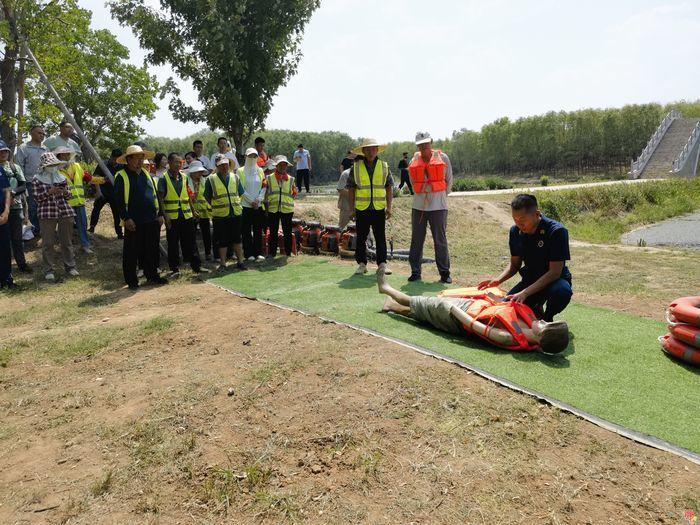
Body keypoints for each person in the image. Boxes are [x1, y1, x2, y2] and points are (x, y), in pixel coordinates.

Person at [376, 270, 569, 354]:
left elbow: (475, 327)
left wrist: (452, 309)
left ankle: (385, 288)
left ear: (541, 336)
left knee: (419, 303)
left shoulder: (509, 338)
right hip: (471, 307)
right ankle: (391, 306)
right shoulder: (529, 323)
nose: (543, 321)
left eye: (545, 325)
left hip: (459, 317)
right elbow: (505, 310)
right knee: (426, 316)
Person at [478, 194, 573, 322]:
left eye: (522, 219)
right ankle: (536, 308)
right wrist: (497, 280)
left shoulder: (556, 231)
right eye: (515, 219)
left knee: (561, 292)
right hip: (530, 280)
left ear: (536, 214)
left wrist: (525, 293)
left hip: (554, 281)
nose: (519, 224)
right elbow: (514, 265)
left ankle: (548, 318)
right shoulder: (515, 232)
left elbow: (554, 273)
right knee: (508, 307)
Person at [113, 145, 167, 289]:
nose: (140, 161)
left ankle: (153, 276)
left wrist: (160, 214)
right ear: (128, 159)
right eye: (137, 158)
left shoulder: (146, 173)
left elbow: (155, 195)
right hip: (133, 221)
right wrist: (126, 218)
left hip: (151, 219)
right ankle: (132, 281)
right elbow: (118, 201)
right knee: (132, 252)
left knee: (152, 249)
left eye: (142, 158)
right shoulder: (121, 176)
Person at [407, 131, 453, 284]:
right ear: (417, 146)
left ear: (431, 143)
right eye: (420, 145)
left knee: (440, 240)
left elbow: (449, 181)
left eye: (426, 144)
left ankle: (445, 273)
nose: (423, 147)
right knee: (416, 240)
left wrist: (439, 196)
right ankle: (415, 272)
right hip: (418, 207)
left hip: (439, 206)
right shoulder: (413, 161)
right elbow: (413, 183)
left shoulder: (443, 158)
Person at [346, 138, 393, 275]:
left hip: (379, 208)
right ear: (363, 151)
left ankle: (382, 264)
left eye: (373, 149)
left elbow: (389, 187)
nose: (371, 152)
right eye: (368, 149)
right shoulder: (355, 168)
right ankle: (362, 264)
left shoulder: (384, 166)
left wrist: (389, 207)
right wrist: (351, 209)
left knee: (380, 238)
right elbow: (351, 189)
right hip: (362, 208)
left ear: (377, 150)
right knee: (361, 237)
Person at [32, 152, 78, 281]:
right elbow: (37, 198)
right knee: (48, 243)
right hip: (47, 212)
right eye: (50, 165)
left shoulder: (61, 178)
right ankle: (48, 270)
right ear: (43, 166)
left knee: (67, 241)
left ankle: (70, 266)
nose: (52, 167)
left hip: (65, 211)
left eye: (54, 164)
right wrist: (49, 192)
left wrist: (63, 191)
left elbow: (70, 196)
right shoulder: (36, 179)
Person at [157, 152, 201, 275]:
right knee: (173, 244)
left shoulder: (184, 177)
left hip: (186, 215)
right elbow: (160, 199)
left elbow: (187, 195)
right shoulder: (163, 179)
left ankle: (196, 266)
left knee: (191, 242)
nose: (179, 164)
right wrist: (165, 217)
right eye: (176, 162)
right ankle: (175, 269)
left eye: (180, 162)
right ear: (169, 163)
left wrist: (193, 210)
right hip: (172, 217)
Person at [204, 155, 246, 271]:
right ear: (217, 166)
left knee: (237, 238)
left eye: (226, 164)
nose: (224, 167)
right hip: (220, 215)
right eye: (221, 165)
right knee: (222, 240)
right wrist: (216, 205)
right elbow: (207, 196)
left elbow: (240, 193)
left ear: (229, 165)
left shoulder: (235, 177)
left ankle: (240, 261)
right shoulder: (211, 179)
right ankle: (223, 263)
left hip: (235, 213)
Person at [54, 146, 94, 254]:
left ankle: (85, 246)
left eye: (67, 154)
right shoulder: (55, 170)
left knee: (83, 224)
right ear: (58, 156)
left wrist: (103, 180)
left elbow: (88, 178)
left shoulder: (77, 166)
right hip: (65, 203)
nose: (66, 156)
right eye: (63, 154)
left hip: (79, 202)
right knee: (66, 228)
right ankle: (68, 249)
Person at [0, 141, 30, 273]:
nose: (3, 153)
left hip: (15, 207)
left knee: (17, 238)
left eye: (5, 151)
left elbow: (23, 185)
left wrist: (12, 193)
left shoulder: (14, 167)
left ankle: (22, 265)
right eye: (0, 151)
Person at [15, 124, 48, 235]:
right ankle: (35, 230)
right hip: (30, 183)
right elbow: (19, 167)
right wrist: (22, 184)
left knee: (44, 206)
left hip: (45, 182)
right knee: (33, 207)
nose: (42, 135)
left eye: (43, 133)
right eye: (39, 133)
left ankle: (45, 230)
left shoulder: (46, 148)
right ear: (31, 134)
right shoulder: (23, 148)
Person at [264, 155, 297, 258]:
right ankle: (272, 253)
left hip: (287, 209)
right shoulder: (269, 178)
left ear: (287, 166)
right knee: (273, 232)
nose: (283, 167)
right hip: (273, 209)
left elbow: (294, 192)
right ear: (276, 166)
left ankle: (288, 252)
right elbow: (265, 193)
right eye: (280, 165)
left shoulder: (291, 179)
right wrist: (266, 208)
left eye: (284, 165)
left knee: (287, 232)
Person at [89, 148, 124, 239]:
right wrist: (98, 192)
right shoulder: (103, 164)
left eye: (117, 159)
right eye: (114, 159)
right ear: (111, 157)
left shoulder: (121, 166)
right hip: (103, 191)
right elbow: (95, 177)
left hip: (114, 193)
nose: (115, 161)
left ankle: (119, 233)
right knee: (96, 209)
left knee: (117, 213)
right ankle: (92, 227)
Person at [239, 147, 266, 261]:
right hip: (245, 205)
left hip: (258, 205)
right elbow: (240, 188)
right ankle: (248, 253)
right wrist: (251, 201)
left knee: (258, 229)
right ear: (246, 157)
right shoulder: (240, 171)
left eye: (255, 156)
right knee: (246, 230)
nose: (252, 158)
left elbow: (264, 186)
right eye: (250, 156)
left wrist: (258, 200)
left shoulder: (260, 170)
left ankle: (258, 252)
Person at [187, 160, 214, 261]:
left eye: (201, 171)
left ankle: (208, 253)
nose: (200, 174)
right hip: (191, 211)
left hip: (204, 211)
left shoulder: (204, 181)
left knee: (206, 233)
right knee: (192, 235)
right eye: (198, 172)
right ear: (192, 172)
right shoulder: (186, 181)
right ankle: (195, 256)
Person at [0, 163, 13, 288]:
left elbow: (7, 190)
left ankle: (7, 279)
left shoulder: (0, 170)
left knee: (4, 247)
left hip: (2, 213)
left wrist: (6, 210)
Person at [336, 166, 353, 230]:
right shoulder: (346, 174)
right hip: (346, 206)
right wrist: (354, 195)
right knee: (341, 228)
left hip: (361, 207)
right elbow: (340, 189)